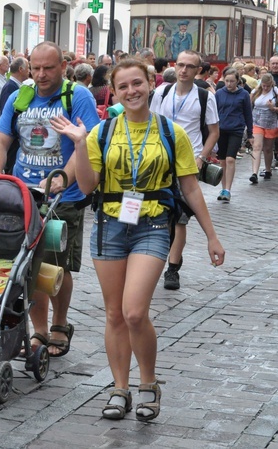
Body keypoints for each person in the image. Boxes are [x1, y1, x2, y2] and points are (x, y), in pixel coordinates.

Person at [51, 58, 225, 422]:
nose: (131, 91)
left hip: (154, 225)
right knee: (114, 314)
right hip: (109, 226)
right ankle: (120, 388)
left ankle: (148, 383)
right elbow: (86, 186)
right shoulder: (102, 131)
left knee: (134, 312)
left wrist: (211, 235)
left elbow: (190, 187)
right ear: (114, 92)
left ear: (150, 83)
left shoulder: (169, 132)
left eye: (137, 84)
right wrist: (80, 146)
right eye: (123, 87)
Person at [0, 41, 100, 358]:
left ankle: (60, 324)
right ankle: (39, 331)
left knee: (55, 267)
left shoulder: (77, 96)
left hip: (65, 198)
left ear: (63, 67)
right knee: (29, 266)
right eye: (36, 68)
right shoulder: (22, 95)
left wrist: (62, 178)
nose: (41, 74)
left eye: (48, 68)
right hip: (24, 194)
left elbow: (87, 144)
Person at [150, 50, 219, 290]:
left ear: (198, 70)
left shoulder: (204, 97)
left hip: (188, 164)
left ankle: (173, 267)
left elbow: (214, 131)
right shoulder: (162, 92)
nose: (184, 70)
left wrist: (201, 157)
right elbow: (151, 123)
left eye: (190, 66)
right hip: (159, 161)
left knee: (180, 218)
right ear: (174, 65)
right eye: (180, 65)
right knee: (156, 212)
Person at [214, 68, 253, 201]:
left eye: (232, 81)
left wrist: (250, 134)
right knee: (222, 161)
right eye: (227, 81)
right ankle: (223, 188)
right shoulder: (219, 93)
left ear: (238, 81)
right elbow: (213, 112)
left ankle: (227, 190)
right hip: (221, 130)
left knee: (230, 159)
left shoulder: (244, 94)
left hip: (236, 130)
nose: (229, 84)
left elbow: (248, 114)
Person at [249, 74, 278, 184]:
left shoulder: (275, 91)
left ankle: (268, 169)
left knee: (268, 149)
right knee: (257, 147)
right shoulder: (257, 90)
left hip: (271, 122)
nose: (265, 88)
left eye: (268, 86)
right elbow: (248, 103)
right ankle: (254, 173)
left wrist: (273, 108)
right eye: (264, 85)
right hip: (257, 121)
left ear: (272, 84)